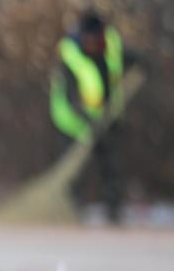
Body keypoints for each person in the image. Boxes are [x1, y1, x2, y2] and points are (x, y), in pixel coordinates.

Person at [49, 11, 136, 223]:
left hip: (107, 120)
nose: (92, 44)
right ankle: (73, 213)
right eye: (88, 40)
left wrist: (142, 64)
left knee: (111, 167)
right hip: (72, 123)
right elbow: (70, 97)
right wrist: (86, 118)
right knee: (74, 172)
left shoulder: (112, 46)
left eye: (96, 40)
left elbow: (130, 60)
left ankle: (114, 213)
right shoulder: (70, 56)